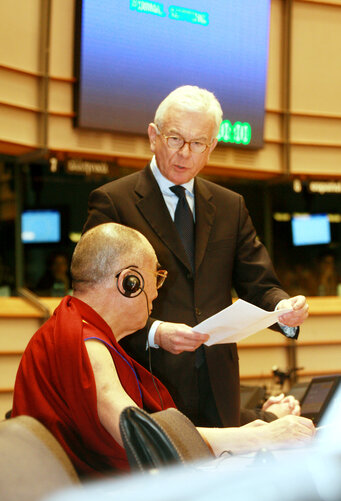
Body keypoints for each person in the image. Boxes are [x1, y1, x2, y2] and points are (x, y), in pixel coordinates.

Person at [83, 85, 309, 428]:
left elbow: (259, 284)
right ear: (153, 136)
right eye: (175, 139)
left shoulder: (230, 206)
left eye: (198, 143)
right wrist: (155, 332)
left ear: (211, 147)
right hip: (143, 379)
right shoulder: (114, 201)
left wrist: (282, 310)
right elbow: (93, 303)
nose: (185, 153)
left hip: (218, 385)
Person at [11, 223, 314, 478]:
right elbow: (140, 437)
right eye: (154, 278)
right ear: (129, 282)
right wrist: (258, 435)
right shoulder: (85, 342)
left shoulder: (72, 328)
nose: (156, 292)